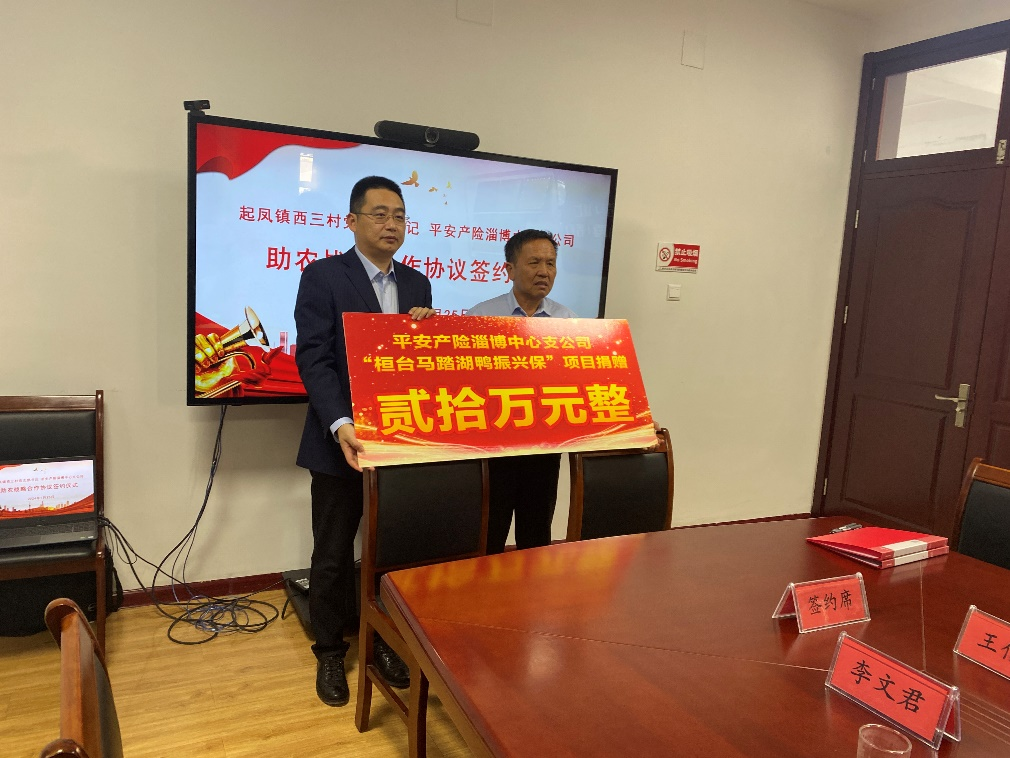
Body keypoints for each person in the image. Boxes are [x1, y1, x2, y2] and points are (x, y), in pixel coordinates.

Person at [294, 176, 435, 707]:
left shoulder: (417, 284)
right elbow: (314, 357)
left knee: (388, 552)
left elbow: (417, 367)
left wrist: (428, 332)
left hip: (398, 443)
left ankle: (383, 641)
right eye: (379, 214)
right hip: (341, 443)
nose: (391, 224)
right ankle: (330, 651)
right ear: (351, 221)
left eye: (399, 215)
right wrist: (340, 423)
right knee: (332, 554)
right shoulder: (324, 276)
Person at [467, 229, 577, 554]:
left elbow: (580, 382)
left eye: (550, 263)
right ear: (510, 269)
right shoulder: (481, 317)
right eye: (534, 262)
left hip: (544, 445)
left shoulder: (567, 321)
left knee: (536, 536)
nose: (544, 271)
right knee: (489, 535)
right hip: (493, 446)